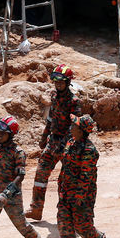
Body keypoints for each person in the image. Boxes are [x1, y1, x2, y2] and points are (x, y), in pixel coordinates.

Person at [25, 64, 82, 221]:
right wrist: (44, 138)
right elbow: (50, 120)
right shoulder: (54, 98)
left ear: (67, 82)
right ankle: (36, 209)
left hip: (67, 144)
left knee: (65, 180)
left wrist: (73, 146)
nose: (58, 84)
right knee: (40, 173)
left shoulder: (74, 101)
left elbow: (77, 126)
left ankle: (66, 213)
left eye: (61, 82)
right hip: (53, 142)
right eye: (56, 82)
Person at [57, 114, 112, 238]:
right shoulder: (70, 143)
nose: (71, 127)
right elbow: (64, 166)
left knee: (84, 229)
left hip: (81, 197)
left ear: (81, 131)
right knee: (64, 225)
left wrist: (79, 198)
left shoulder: (89, 150)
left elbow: (85, 177)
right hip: (66, 193)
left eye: (74, 126)